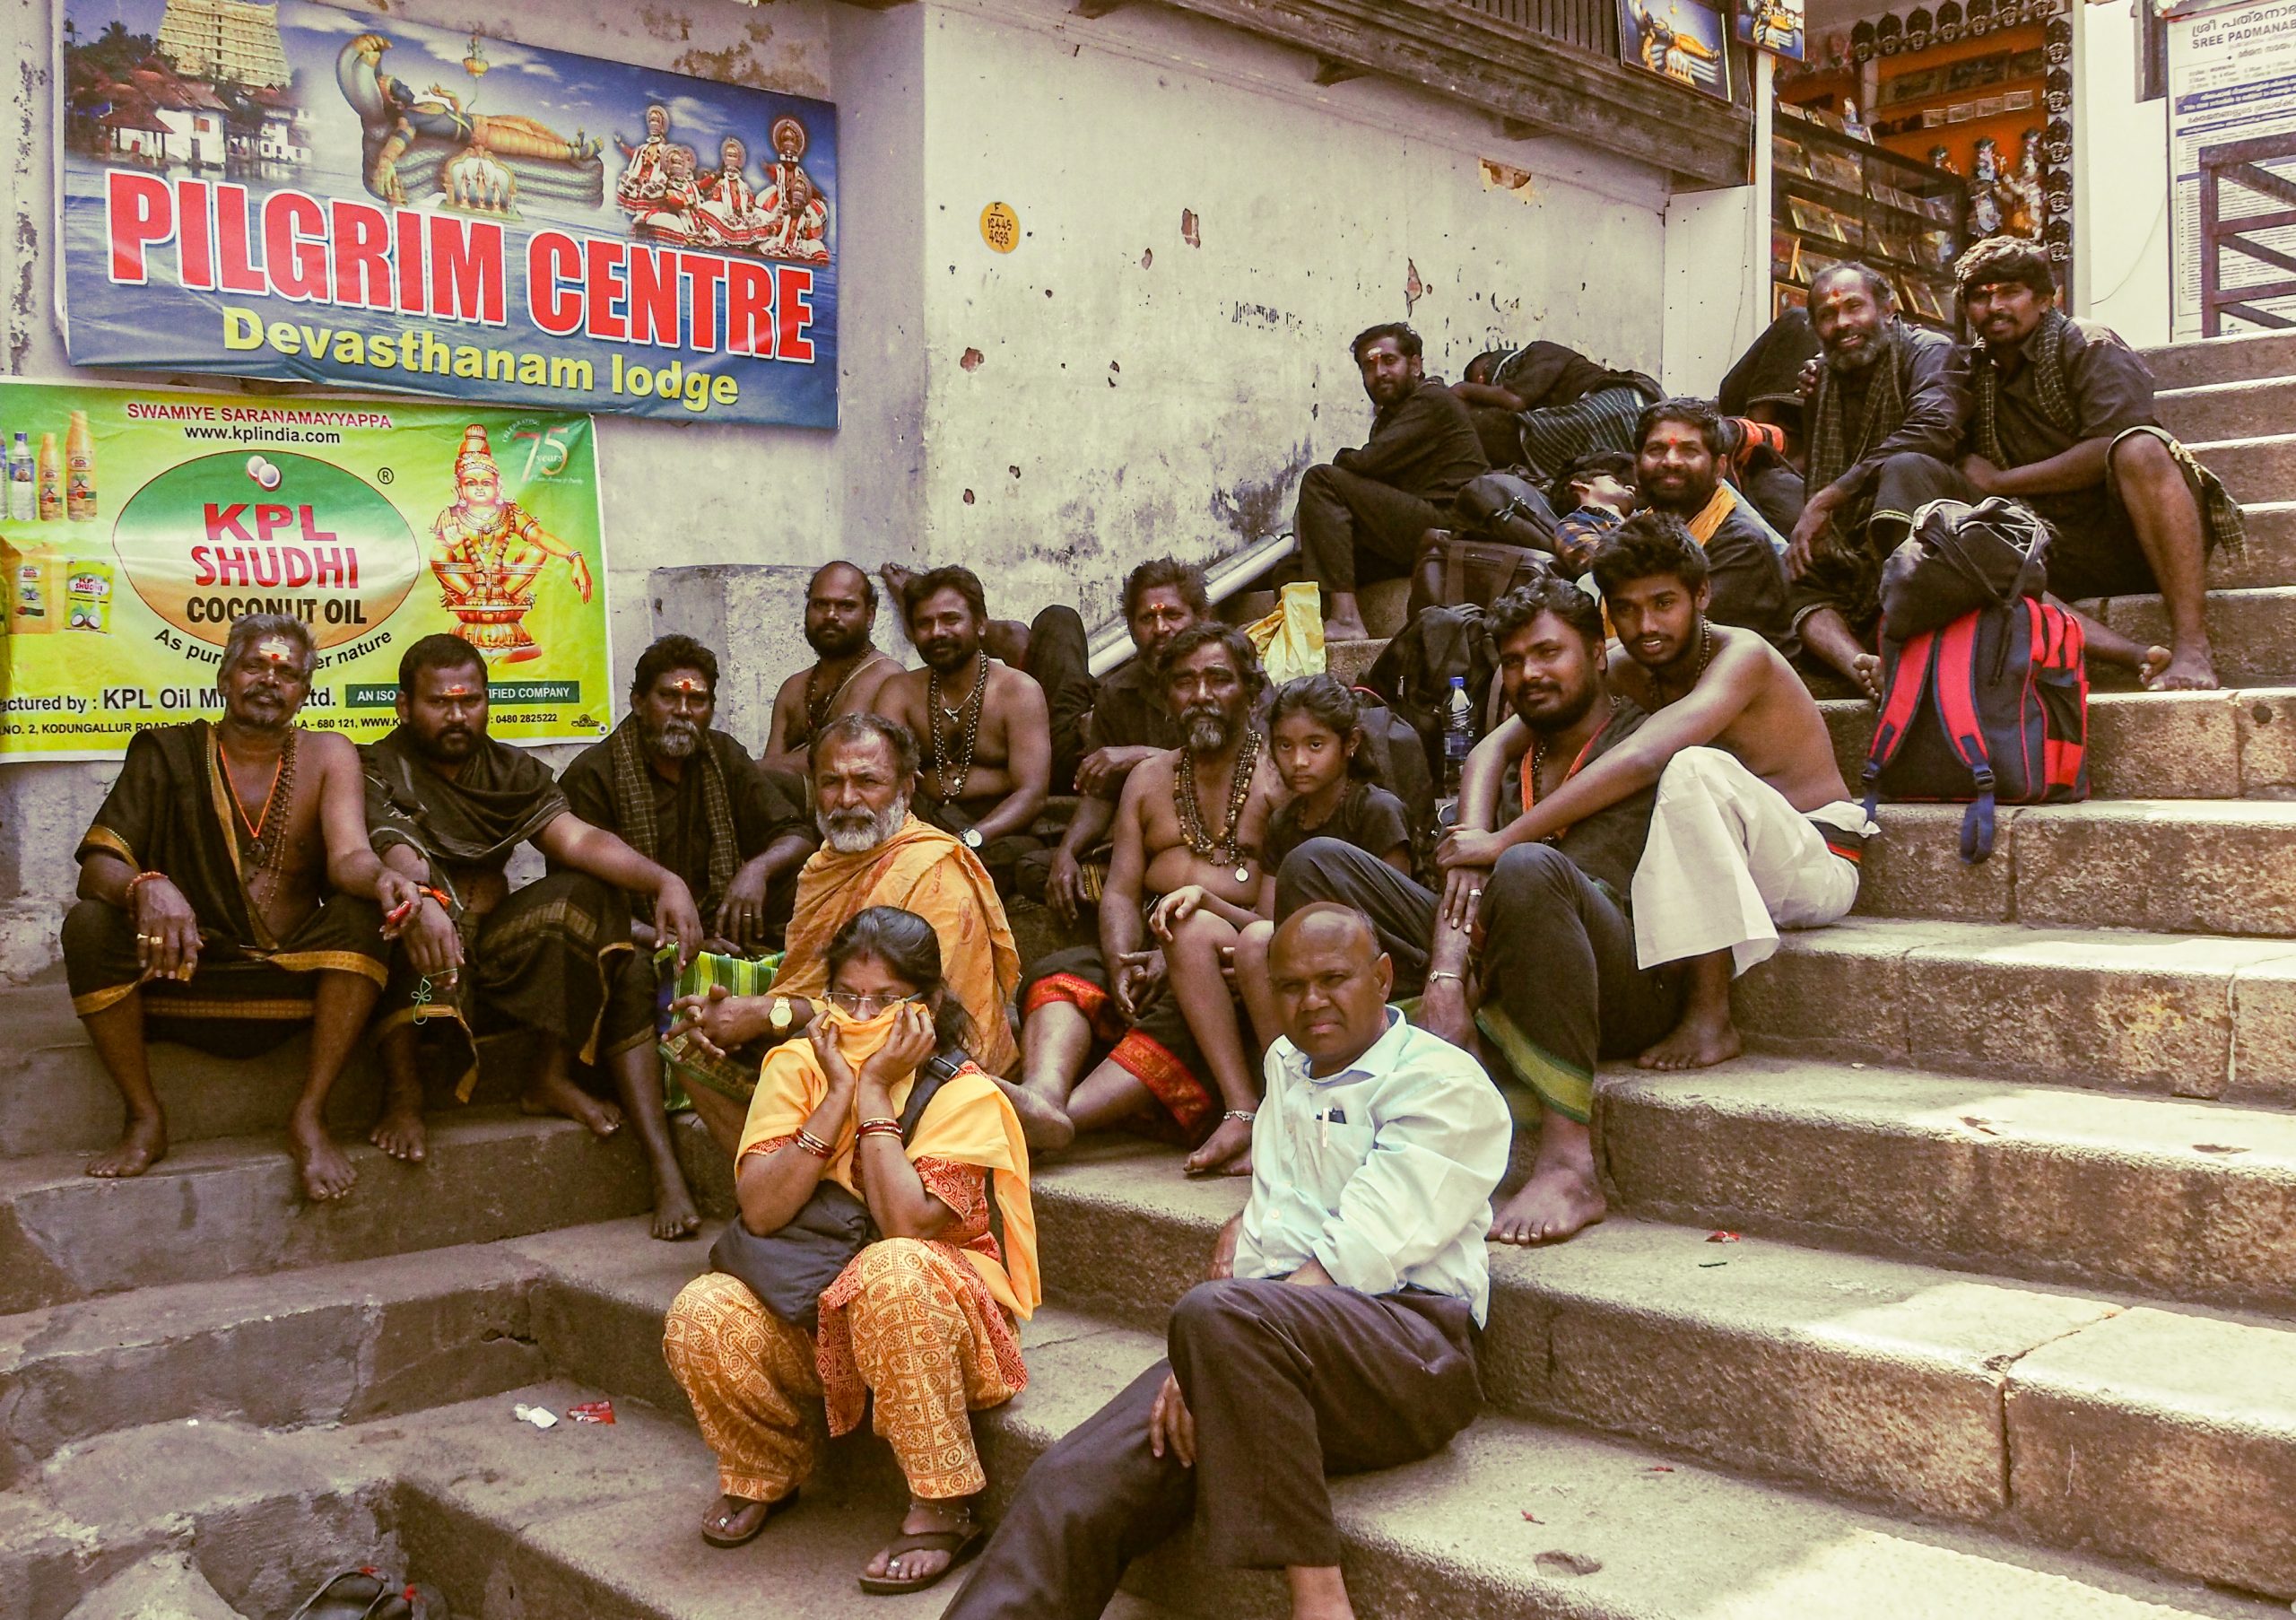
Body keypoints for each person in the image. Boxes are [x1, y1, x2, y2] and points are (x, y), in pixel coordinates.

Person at [940, 903, 1506, 1620]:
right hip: (1268, 1348)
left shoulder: (1442, 1082)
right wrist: (1213, 1356)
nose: (1312, 1001)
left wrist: (1218, 1346)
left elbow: (1361, 1251)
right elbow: (1274, 1225)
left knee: (1216, 1314)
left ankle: (1320, 1599)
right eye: (1291, 986)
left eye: (1333, 979)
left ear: (1383, 977)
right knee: (1070, 1480)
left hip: (1411, 1354)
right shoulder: (1286, 1065)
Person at [1280, 579, 1666, 1246]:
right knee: (1314, 863)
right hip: (1498, 946)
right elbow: (1465, 872)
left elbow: (1517, 869)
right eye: (1513, 661)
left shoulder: (1642, 737)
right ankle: (1344, 1101)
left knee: (1528, 865)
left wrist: (1470, 936)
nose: (1529, 673)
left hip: (1616, 977)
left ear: (1598, 655)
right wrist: (1446, 974)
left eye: (1548, 653)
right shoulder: (1514, 752)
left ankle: (1569, 1162)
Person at [662, 906, 1036, 1595]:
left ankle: (942, 1505)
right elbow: (762, 1211)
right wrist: (837, 1093)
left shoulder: (965, 1092)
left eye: (886, 1000)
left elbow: (905, 1224)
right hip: (814, 1311)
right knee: (701, 1309)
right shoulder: (797, 1066)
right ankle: (765, 1468)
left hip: (935, 1324)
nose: (862, 1016)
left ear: (928, 1007)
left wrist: (874, 1094)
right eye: (846, 997)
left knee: (891, 1268)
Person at [1498, 514, 1868, 1071]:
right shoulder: (1631, 663)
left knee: (1688, 766)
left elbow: (1646, 757)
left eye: (1663, 603)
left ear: (1702, 595)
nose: (1646, 625)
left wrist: (1504, 840)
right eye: (1626, 609)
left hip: (1814, 862)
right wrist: (1470, 840)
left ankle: (1711, 1017)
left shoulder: (1743, 655)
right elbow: (1492, 749)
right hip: (1733, 865)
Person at [61, 614, 400, 1201]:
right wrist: (146, 885)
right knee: (88, 925)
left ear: (305, 691)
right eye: (254, 666)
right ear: (224, 678)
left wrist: (385, 878)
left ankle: (309, 1114)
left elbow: (350, 857)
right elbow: (97, 869)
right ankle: (145, 1116)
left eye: (286, 673)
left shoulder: (329, 755)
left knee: (364, 915)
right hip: (184, 973)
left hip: (290, 978)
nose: (269, 681)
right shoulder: (167, 753)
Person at [361, 635, 704, 1167]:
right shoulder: (377, 765)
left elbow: (578, 840)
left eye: (470, 701)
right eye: (439, 703)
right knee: (396, 914)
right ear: (404, 706)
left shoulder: (510, 770)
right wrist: (424, 898)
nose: (458, 716)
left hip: (495, 947)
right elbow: (396, 849)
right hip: (423, 947)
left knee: (588, 892)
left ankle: (549, 1074)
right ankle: (404, 1092)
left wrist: (665, 882)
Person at [557, 635, 818, 1239]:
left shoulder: (721, 757)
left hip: (725, 925)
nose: (683, 711)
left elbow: (796, 833)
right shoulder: (593, 774)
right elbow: (579, 898)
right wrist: (668, 939)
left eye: (697, 700)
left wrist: (756, 871)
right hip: (630, 937)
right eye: (668, 698)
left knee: (809, 889)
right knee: (621, 962)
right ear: (637, 702)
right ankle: (664, 1168)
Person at [665, 713, 1026, 1149]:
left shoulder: (933, 872)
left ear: (906, 788)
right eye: (831, 782)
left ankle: (823, 1175)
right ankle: (782, 1178)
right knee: (690, 1044)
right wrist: (735, 1015)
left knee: (805, 1064)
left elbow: (920, 1022)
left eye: (867, 781)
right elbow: (810, 982)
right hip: (835, 1038)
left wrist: (770, 1015)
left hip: (917, 1064)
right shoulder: (823, 865)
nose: (847, 799)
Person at [1016, 625, 1283, 1177]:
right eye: (1184, 682)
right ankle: (1040, 1095)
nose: (1201, 695)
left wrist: (1176, 956)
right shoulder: (1147, 778)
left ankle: (1057, 1123)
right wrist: (1122, 963)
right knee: (1064, 974)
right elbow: (1119, 890)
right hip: (1145, 943)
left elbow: (1276, 912)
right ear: (1166, 698)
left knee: (1185, 1004)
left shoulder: (1277, 778)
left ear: (1251, 691)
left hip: (1227, 958)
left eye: (1218, 679)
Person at [1954, 235, 2239, 691]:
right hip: (2053, 545)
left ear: (2045, 299)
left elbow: (2108, 444)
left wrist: (2001, 481)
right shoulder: (1970, 372)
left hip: (2134, 533)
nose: (1994, 307)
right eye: (1980, 297)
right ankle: (2130, 655)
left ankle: (2191, 645)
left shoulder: (2088, 343)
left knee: (2141, 448)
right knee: (1956, 526)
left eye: (2009, 292)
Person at [1785, 263, 1973, 697]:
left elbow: (1933, 430)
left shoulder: (1929, 351)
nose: (1842, 323)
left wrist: (1829, 498)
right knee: (1791, 567)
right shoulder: (1824, 379)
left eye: (1855, 307)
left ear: (1888, 310)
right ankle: (1863, 667)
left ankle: (1902, 647)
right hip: (1856, 538)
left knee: (1903, 468)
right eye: (1828, 315)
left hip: (1946, 522)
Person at [1232, 676, 1413, 1054]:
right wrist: (1204, 900)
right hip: (1308, 956)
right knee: (1251, 941)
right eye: (1285, 746)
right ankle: (1283, 1074)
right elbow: (1269, 920)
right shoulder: (1284, 822)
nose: (1298, 761)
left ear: (1350, 744)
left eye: (1315, 745)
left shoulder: (1375, 810)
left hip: (1379, 954)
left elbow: (1395, 918)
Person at [1039, 557, 1208, 926]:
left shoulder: (1229, 677)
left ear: (1201, 618)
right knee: (1041, 870)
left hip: (1218, 834)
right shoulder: (1117, 693)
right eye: (1147, 619)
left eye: (1173, 615)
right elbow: (1100, 793)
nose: (1160, 628)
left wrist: (1142, 757)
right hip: (1142, 836)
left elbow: (1252, 761)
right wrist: (1067, 853)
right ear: (1131, 629)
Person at [1296, 323, 1489, 642]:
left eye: (1389, 361)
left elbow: (1370, 463)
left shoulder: (1432, 400)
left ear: (1415, 365)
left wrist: (1343, 459)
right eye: (1369, 366)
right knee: (1293, 569)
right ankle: (1302, 633)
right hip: (1413, 532)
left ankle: (1346, 619)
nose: (1380, 373)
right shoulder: (1391, 417)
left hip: (1449, 529)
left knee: (1321, 479)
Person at [873, 566, 1052, 891]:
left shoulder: (1018, 691)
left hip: (995, 830)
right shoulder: (898, 691)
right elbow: (887, 776)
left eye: (950, 620)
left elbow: (1031, 794)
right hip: (923, 822)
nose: (937, 632)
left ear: (980, 624)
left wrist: (969, 839)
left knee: (1011, 859)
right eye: (925, 623)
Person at [1628, 397, 1796, 652]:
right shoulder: (1638, 532)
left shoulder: (1741, 545)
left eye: (1689, 451)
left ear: (1719, 469)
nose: (1671, 461)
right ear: (1637, 466)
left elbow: (1676, 639)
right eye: (1656, 450)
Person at [761, 562, 900, 780]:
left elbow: (839, 758)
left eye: (846, 606)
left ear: (870, 616)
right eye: (820, 604)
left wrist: (740, 765)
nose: (831, 615)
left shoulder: (886, 677)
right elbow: (764, 776)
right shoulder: (793, 688)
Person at [1454, 340, 1658, 482]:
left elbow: (1514, 399)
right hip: (1621, 426)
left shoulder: (1538, 351)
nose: (1483, 385)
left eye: (1481, 380)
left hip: (1619, 403)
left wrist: (1461, 390)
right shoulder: (1549, 412)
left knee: (1522, 433)